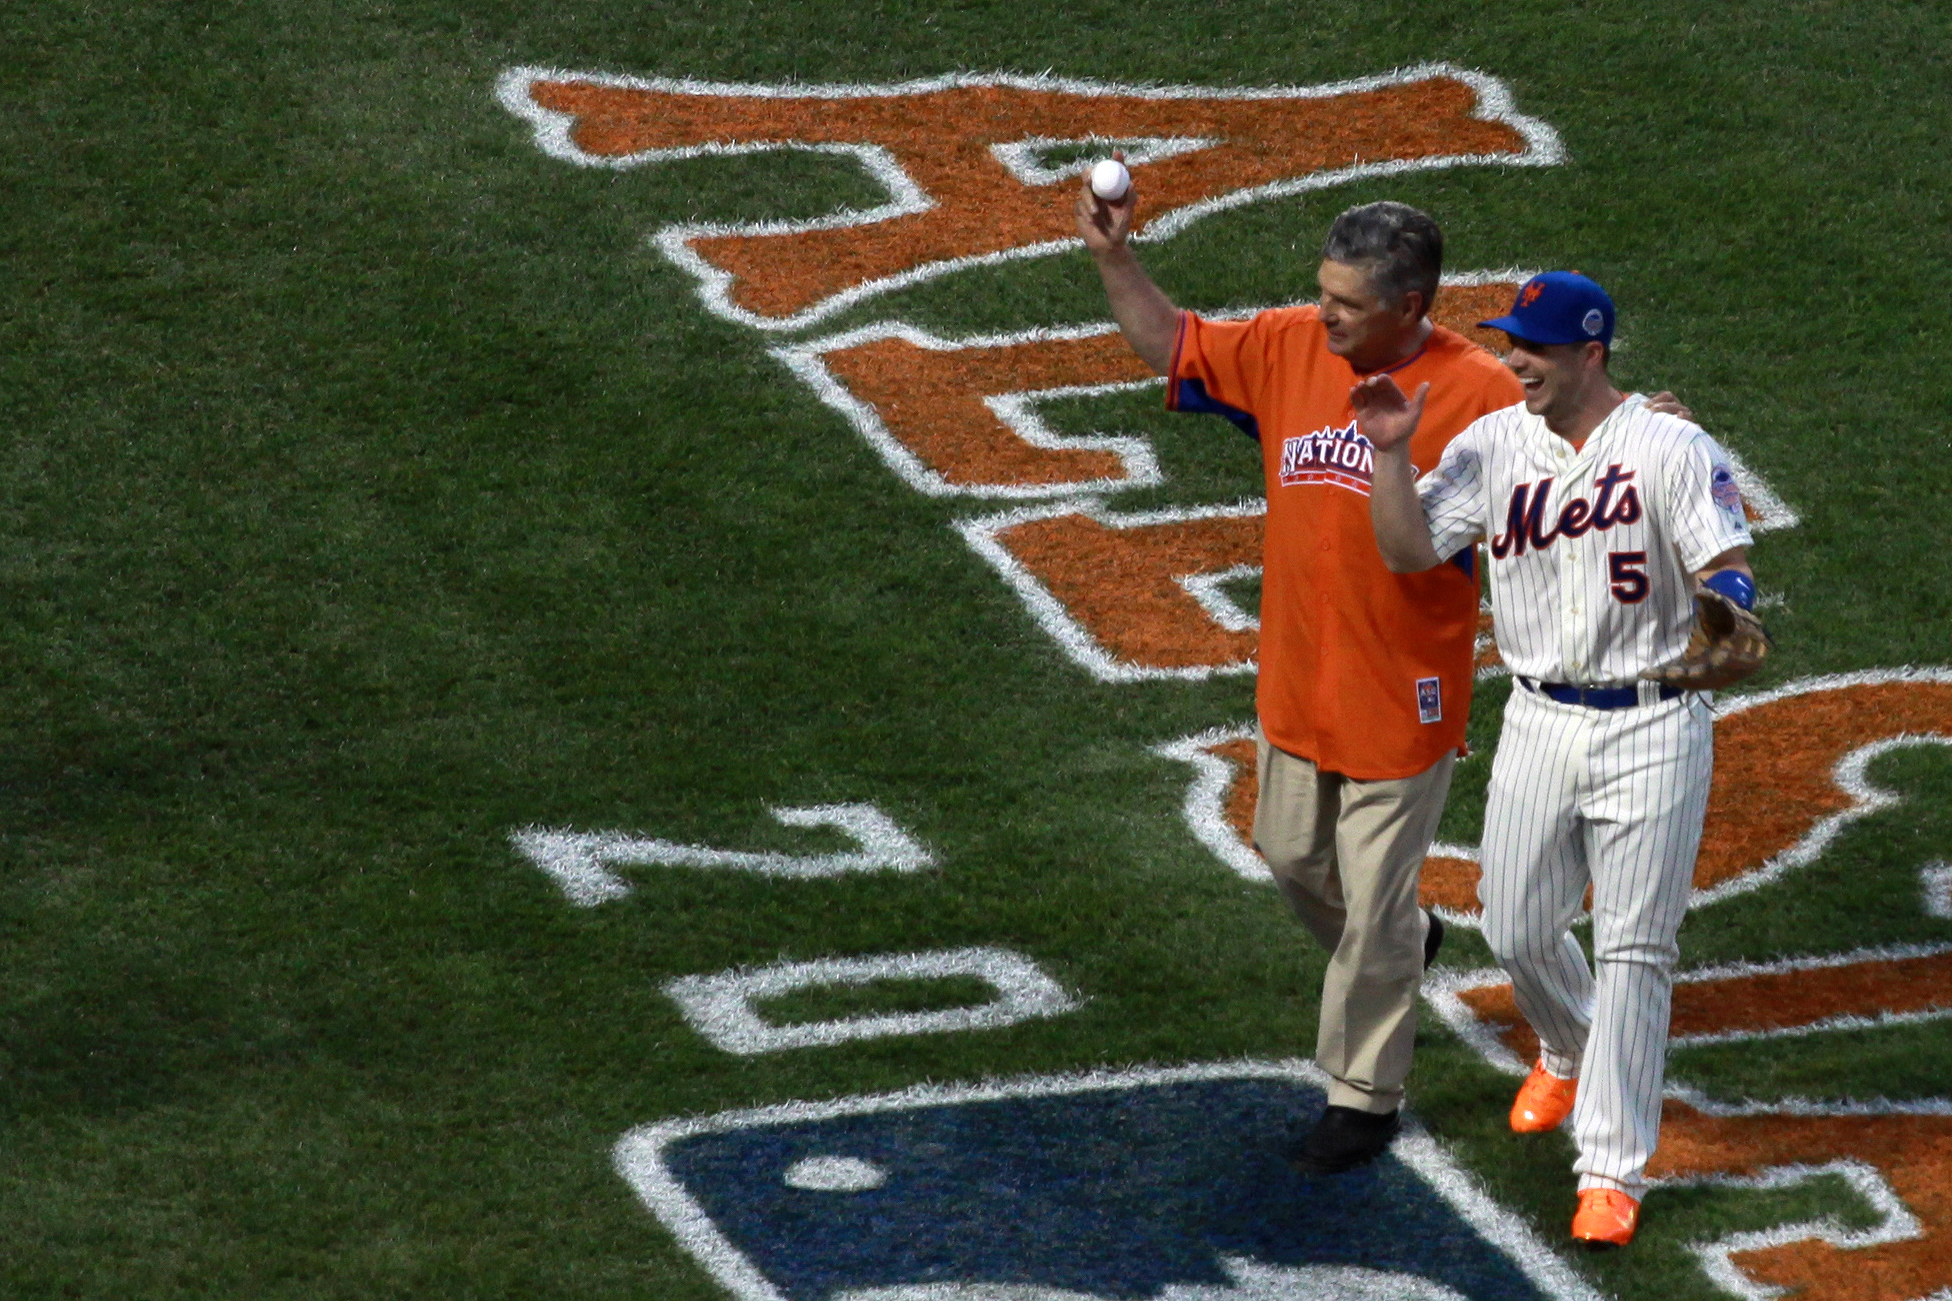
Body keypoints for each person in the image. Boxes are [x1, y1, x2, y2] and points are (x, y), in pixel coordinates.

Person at [1074, 178, 1524, 1173]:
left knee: (1368, 907)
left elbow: (1576, 458)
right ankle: (1407, 941)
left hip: (1402, 692)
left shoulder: (1479, 394)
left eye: (1347, 302)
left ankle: (1362, 1092)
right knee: (1288, 859)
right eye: (1321, 290)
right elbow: (1176, 345)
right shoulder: (1288, 346)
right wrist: (1113, 255)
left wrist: (1645, 430)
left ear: (1408, 307)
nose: (1324, 312)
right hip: (1296, 675)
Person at [1355, 271, 1759, 1248]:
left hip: (1651, 722)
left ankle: (1609, 1169)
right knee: (1513, 921)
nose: (1512, 359)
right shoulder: (1493, 444)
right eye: (1508, 341)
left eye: (1531, 345)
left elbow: (1724, 560)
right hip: (1538, 715)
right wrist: (1387, 455)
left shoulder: (1667, 443)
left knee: (1634, 948)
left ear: (1590, 353)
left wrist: (1724, 622)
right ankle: (1567, 1041)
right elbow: (1408, 550)